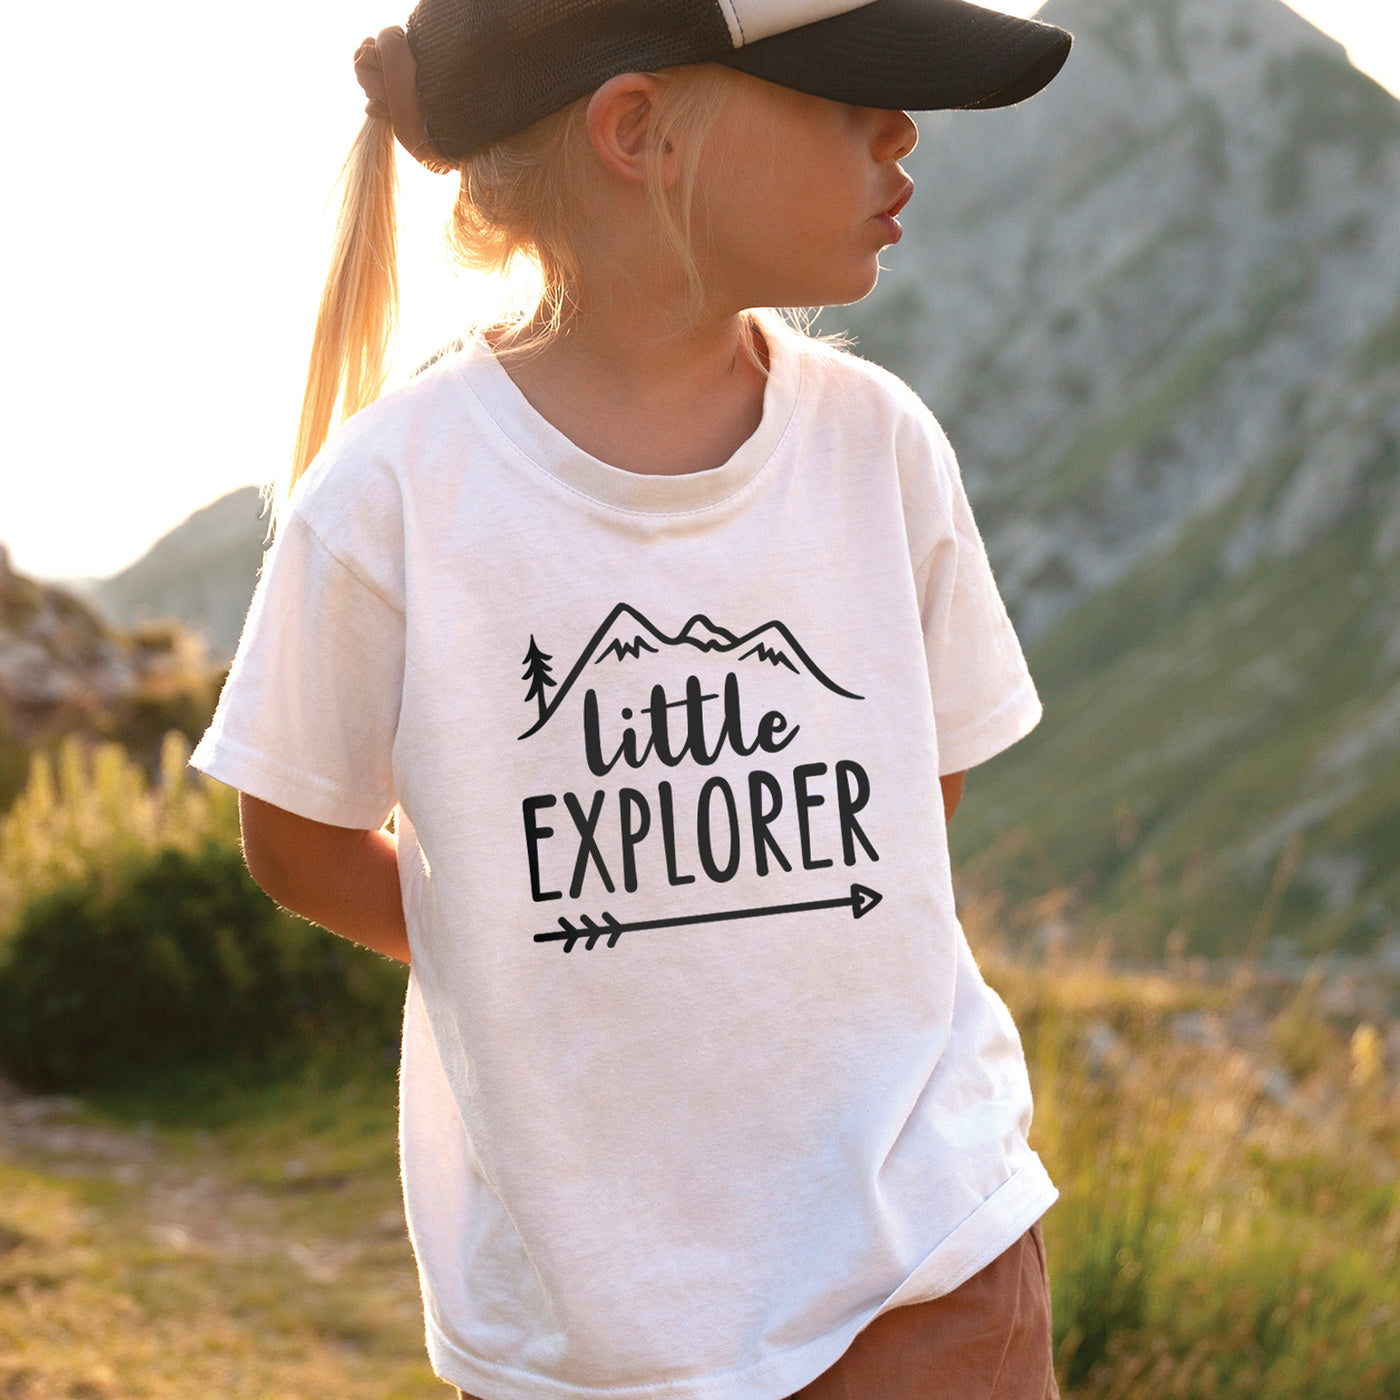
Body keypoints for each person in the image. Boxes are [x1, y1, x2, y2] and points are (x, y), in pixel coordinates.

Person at [192, 2, 1074, 1396]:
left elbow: (913, 800)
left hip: (926, 1259)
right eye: (850, 94)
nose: (905, 135)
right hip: (588, 1323)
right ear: (639, 131)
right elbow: (292, 841)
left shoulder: (878, 448)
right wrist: (527, 957)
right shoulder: (394, 497)